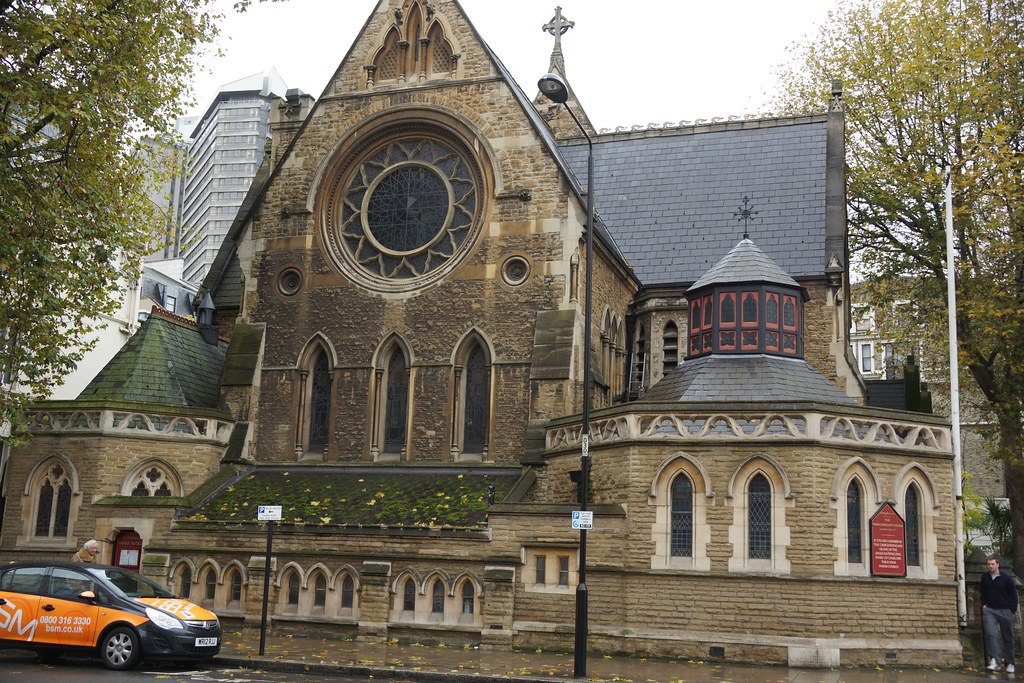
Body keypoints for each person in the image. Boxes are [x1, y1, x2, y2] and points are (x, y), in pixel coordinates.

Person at [981, 556, 1019, 672]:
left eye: (992, 564)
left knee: (1008, 636)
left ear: (997, 565)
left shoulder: (1006, 579)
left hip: (1005, 610)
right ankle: (995, 660)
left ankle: (1010, 663)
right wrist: (984, 604)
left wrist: (1012, 610)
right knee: (991, 634)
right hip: (990, 610)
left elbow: (1013, 595)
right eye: (988, 564)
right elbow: (983, 592)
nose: (990, 566)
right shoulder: (985, 577)